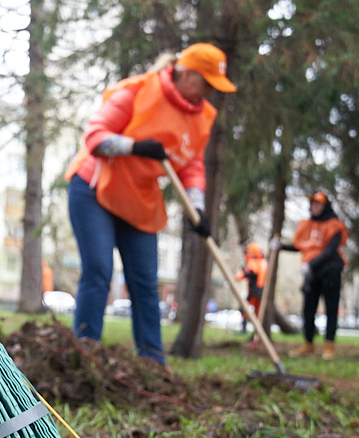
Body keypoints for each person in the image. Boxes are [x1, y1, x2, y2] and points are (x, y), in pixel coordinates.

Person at [63, 43, 236, 366]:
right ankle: (85, 358)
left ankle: (154, 365)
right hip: (95, 187)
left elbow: (192, 165)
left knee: (144, 282)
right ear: (186, 73)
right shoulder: (140, 90)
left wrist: (196, 206)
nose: (210, 93)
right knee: (99, 270)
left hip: (138, 197)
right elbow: (95, 137)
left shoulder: (203, 117)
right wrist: (135, 146)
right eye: (207, 83)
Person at [273, 191, 348, 360]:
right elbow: (302, 246)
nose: (315, 207)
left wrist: (311, 264)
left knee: (330, 308)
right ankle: (308, 343)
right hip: (312, 272)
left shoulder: (335, 225)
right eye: (313, 204)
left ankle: (329, 344)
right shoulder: (307, 225)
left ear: (325, 206)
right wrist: (281, 246)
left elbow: (330, 251)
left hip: (330, 270)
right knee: (308, 308)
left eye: (319, 204)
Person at [235, 242, 267, 333]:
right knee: (257, 311)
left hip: (254, 290)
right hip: (260, 290)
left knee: (244, 309)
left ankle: (244, 329)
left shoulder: (254, 262)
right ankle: (257, 332)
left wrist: (240, 276)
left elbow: (252, 273)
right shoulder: (262, 261)